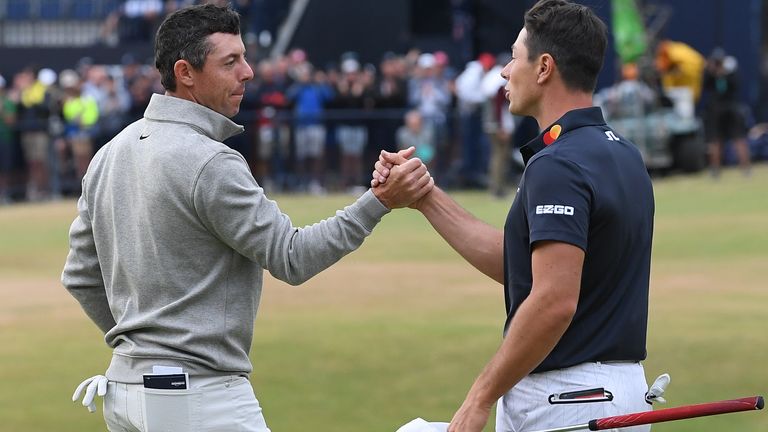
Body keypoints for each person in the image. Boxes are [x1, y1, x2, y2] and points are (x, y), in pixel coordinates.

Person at [63, 4, 432, 432]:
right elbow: (293, 257)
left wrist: (142, 347)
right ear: (186, 72)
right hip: (197, 397)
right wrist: (379, 200)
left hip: (124, 390)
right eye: (231, 61)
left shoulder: (109, 153)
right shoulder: (210, 160)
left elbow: (79, 276)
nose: (249, 72)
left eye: (245, 57)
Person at [373, 1, 655, 431]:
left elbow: (554, 299)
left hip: (569, 398)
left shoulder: (558, 163)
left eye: (513, 57)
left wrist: (479, 397)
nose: (505, 71)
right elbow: (525, 266)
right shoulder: (623, 153)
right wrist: (425, 195)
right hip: (609, 394)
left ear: (543, 68)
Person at [702, 48, 751, 178]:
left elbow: (736, 85)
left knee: (739, 138)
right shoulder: (710, 73)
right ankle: (715, 170)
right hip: (717, 109)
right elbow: (706, 86)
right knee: (715, 140)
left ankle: (745, 168)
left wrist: (724, 74)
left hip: (731, 107)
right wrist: (712, 72)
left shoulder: (731, 70)